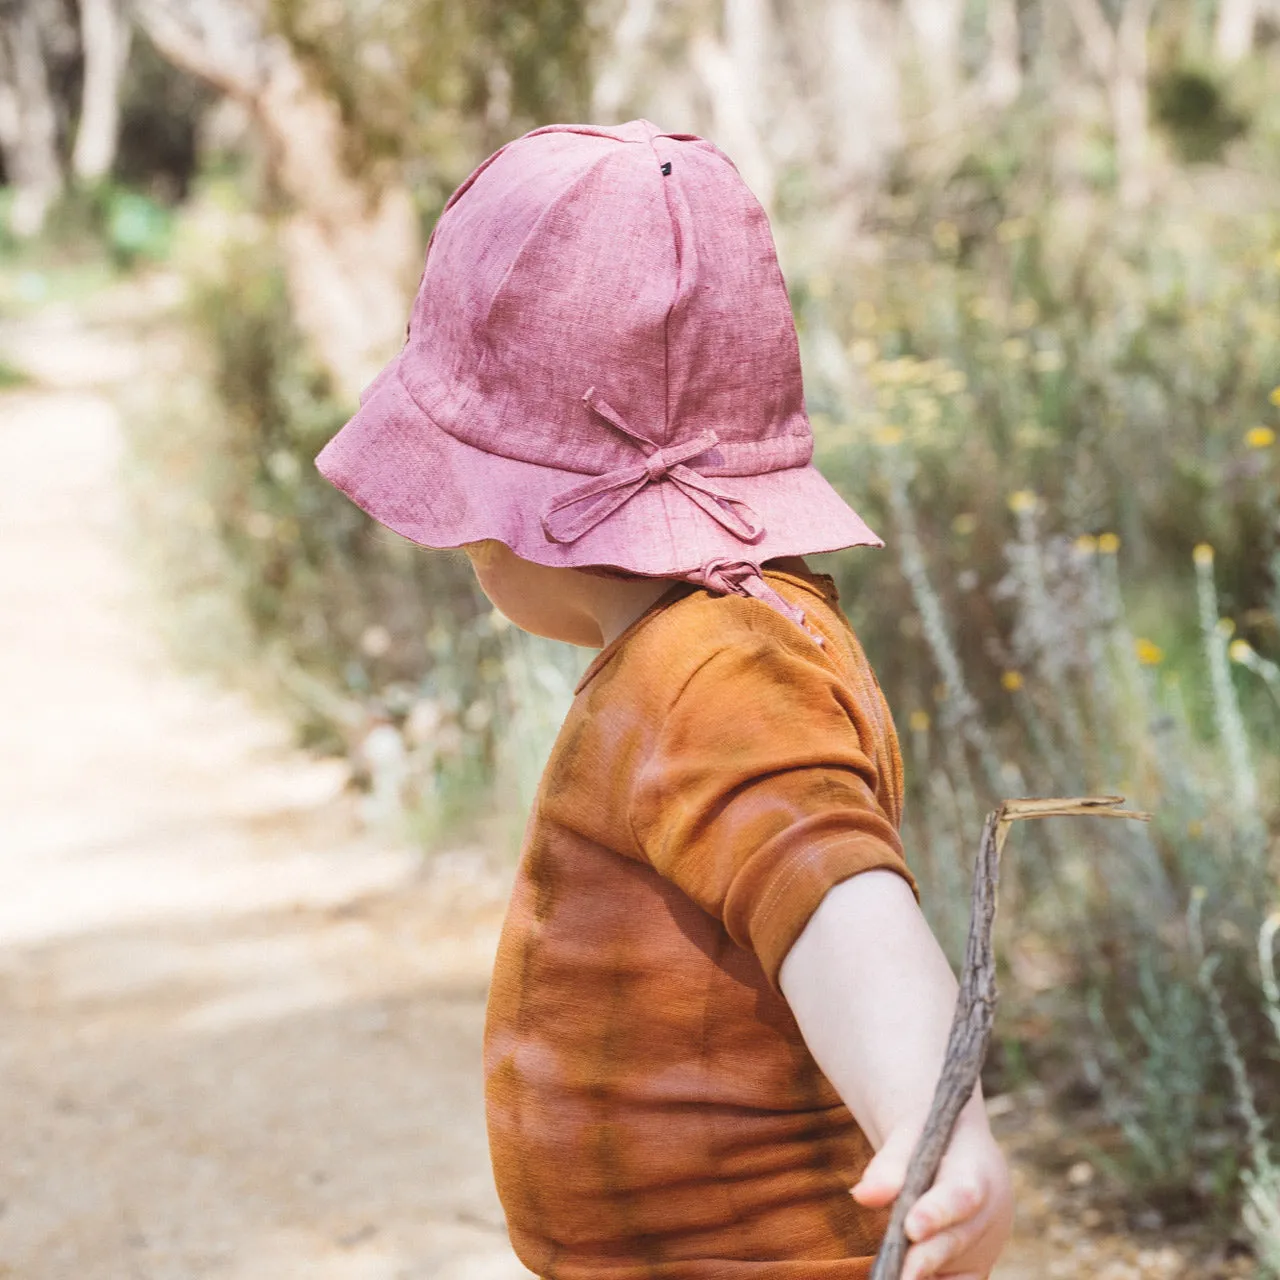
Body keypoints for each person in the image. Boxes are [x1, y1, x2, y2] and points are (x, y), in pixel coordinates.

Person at [316, 119, 1014, 1280]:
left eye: (475, 511)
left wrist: (938, 1121)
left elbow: (838, 898)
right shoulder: (725, 639)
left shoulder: (719, 675)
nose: (466, 543)